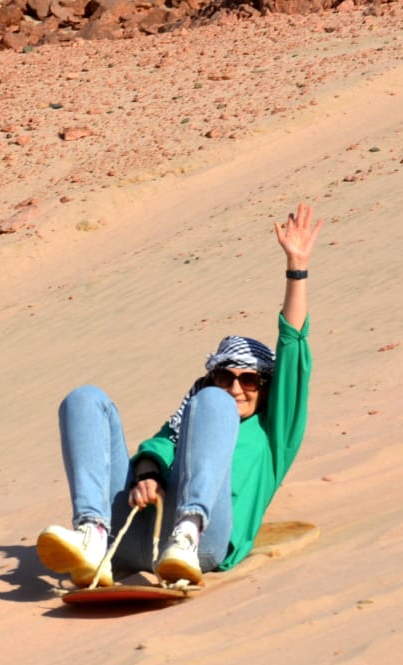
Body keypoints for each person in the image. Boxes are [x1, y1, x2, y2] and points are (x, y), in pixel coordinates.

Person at [37, 202, 321, 588]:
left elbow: (293, 345)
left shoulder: (274, 432)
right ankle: (92, 532)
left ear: (266, 387)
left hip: (202, 548)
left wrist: (297, 268)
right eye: (225, 376)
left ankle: (188, 532)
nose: (236, 388)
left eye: (250, 380)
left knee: (214, 406)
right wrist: (148, 474)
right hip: (134, 538)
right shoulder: (190, 420)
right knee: (84, 399)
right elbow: (157, 446)